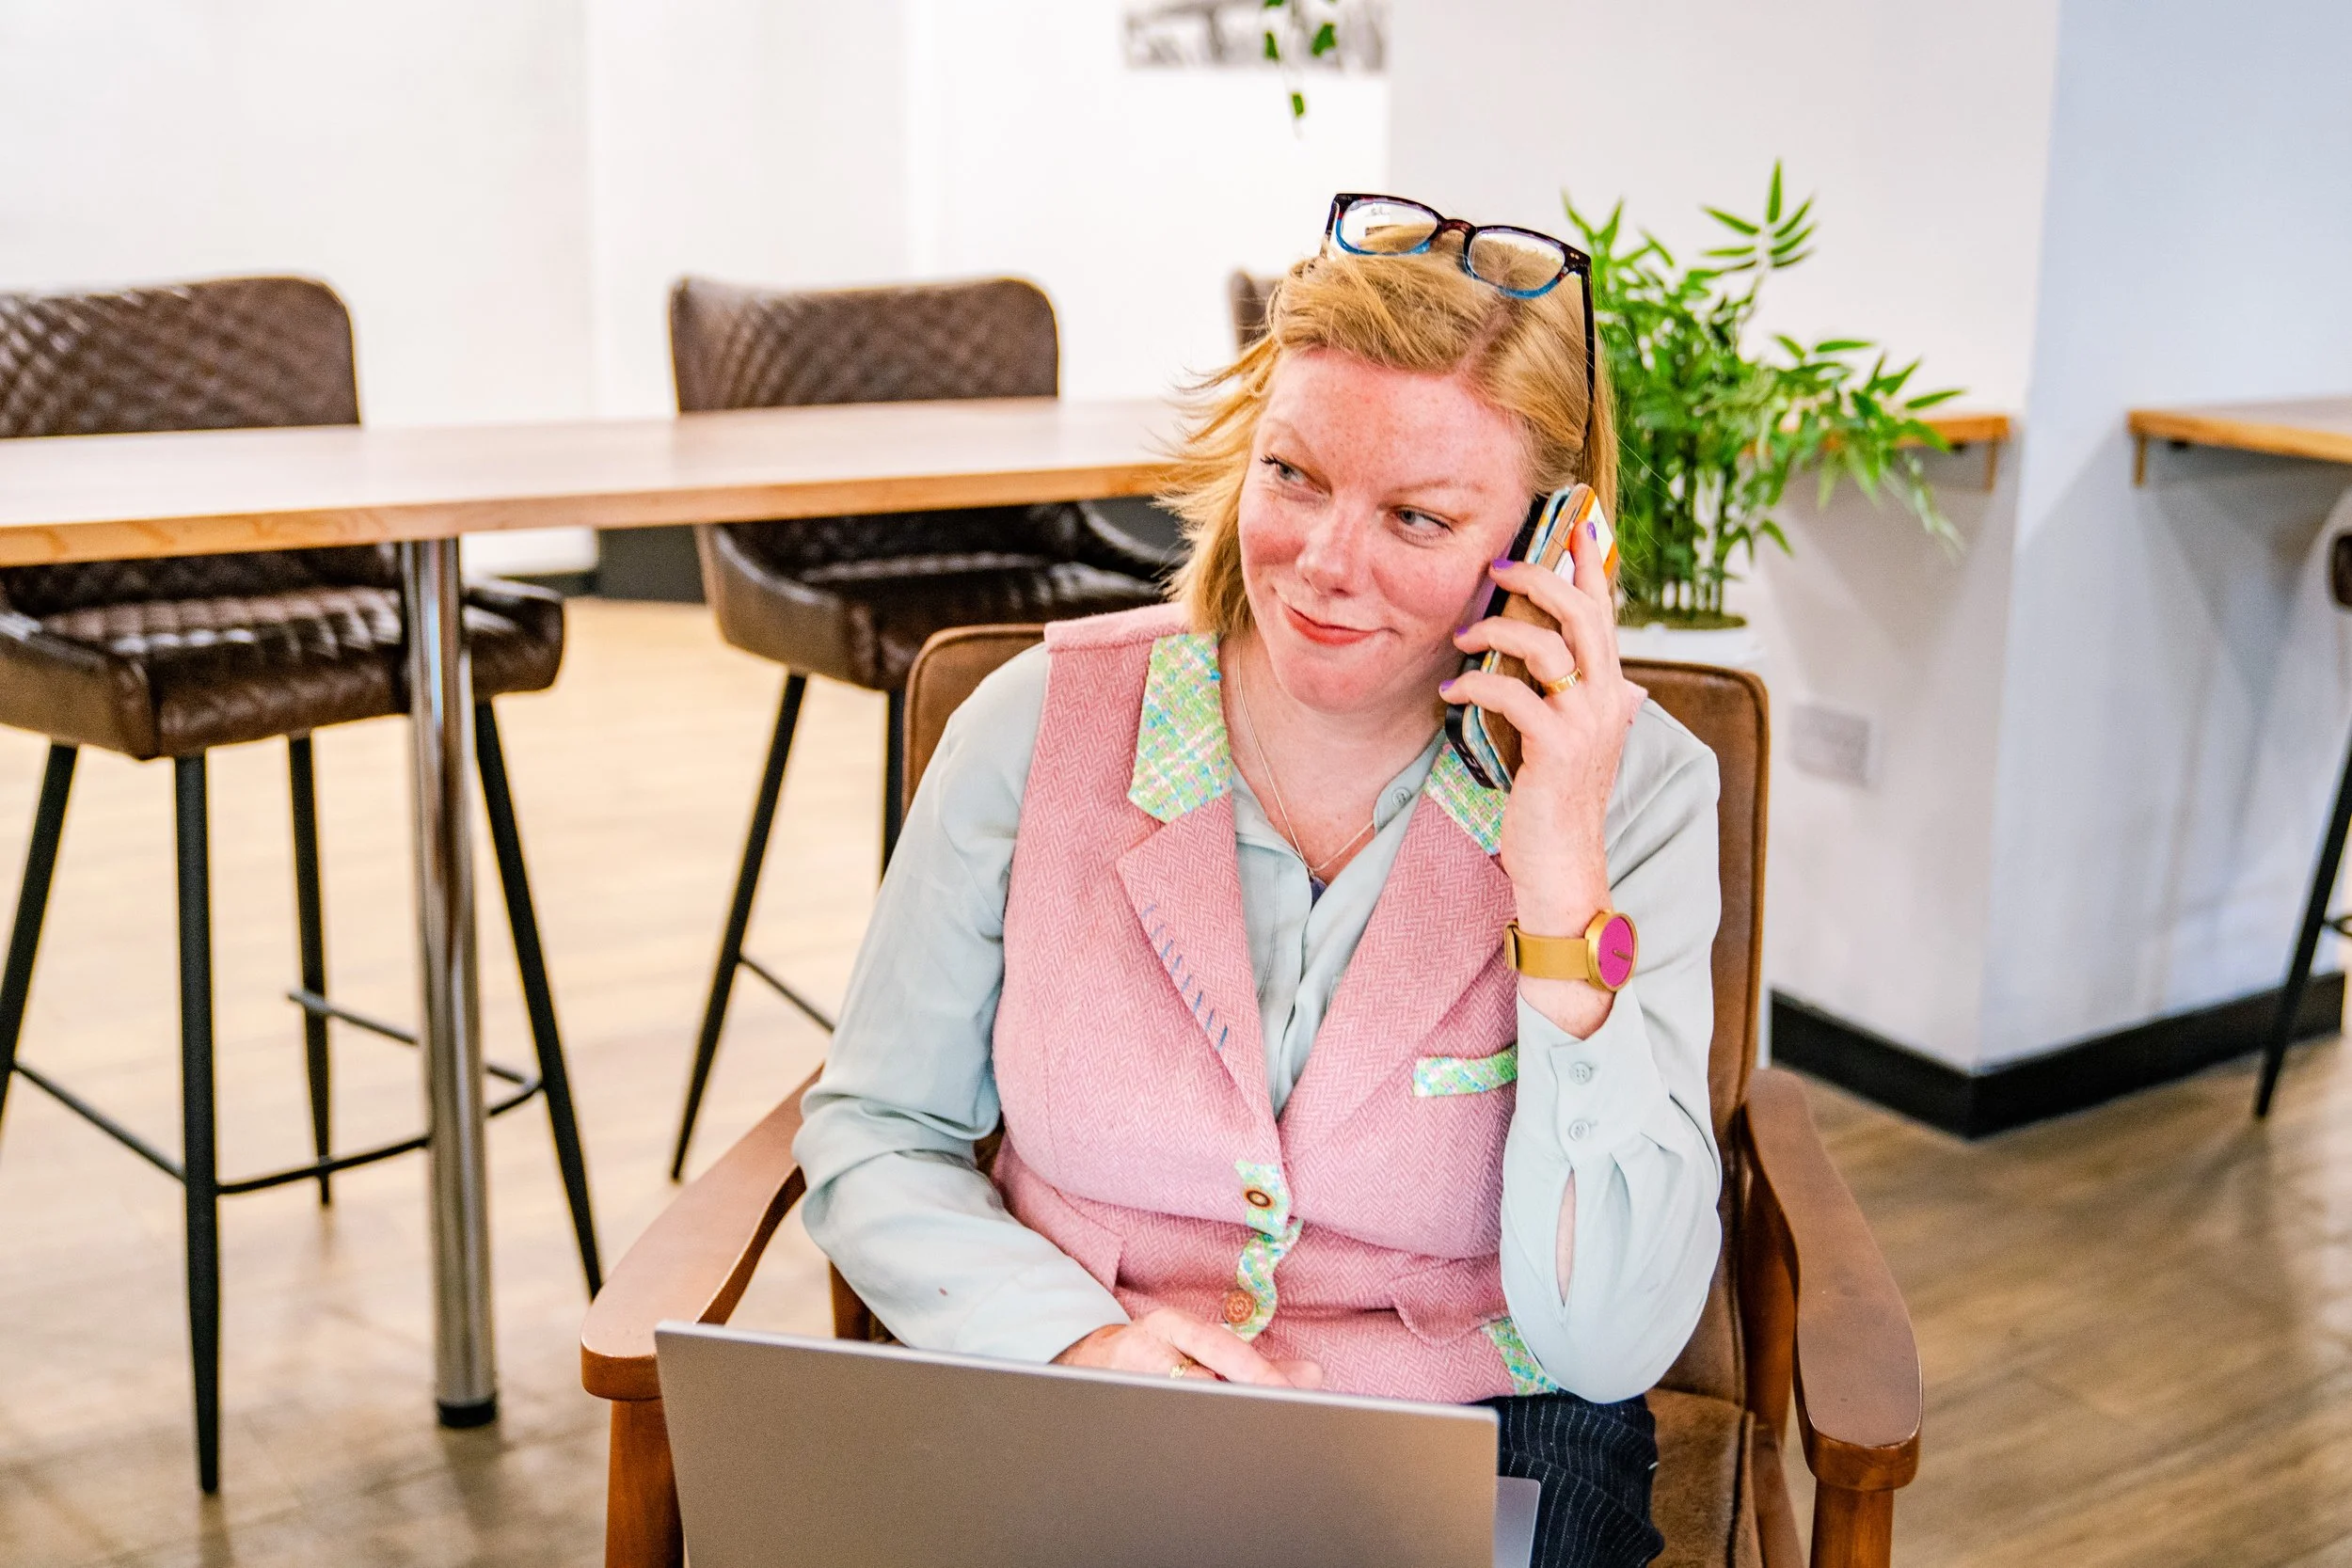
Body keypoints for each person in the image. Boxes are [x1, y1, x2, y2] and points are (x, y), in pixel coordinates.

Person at [796, 195, 1723, 1567]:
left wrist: (1558, 884)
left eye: (1416, 514)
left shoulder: (1637, 794)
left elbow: (1605, 1335)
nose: (1324, 563)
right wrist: (1076, 1339)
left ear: (1547, 548)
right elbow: (878, 1126)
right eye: (1293, 475)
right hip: (1084, 1380)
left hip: (1477, 1419)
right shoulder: (1035, 725)